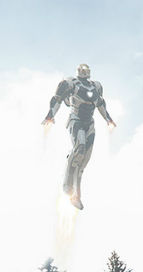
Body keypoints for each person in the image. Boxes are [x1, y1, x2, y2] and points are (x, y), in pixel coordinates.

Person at [42, 64, 115, 209]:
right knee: (79, 147)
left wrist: (108, 119)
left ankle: (76, 195)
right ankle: (67, 183)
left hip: (90, 124)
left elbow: (101, 103)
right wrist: (50, 115)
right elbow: (57, 99)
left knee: (84, 161)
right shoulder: (71, 83)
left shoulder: (96, 86)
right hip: (76, 121)